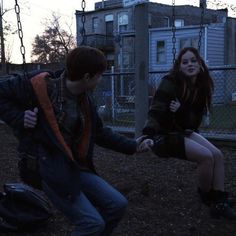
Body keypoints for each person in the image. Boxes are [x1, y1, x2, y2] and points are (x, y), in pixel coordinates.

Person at [0, 46, 153, 236]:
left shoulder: (84, 101)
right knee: (92, 223)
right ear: (87, 77)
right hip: (49, 169)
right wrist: (19, 117)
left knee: (117, 204)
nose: (101, 79)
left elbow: (100, 133)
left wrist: (133, 145)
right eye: (99, 75)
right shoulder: (41, 88)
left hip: (74, 166)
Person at [142, 47, 236, 220]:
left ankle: (220, 198)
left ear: (200, 64)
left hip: (183, 131)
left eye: (193, 60)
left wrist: (181, 110)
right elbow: (157, 109)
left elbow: (193, 122)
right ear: (179, 66)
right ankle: (207, 196)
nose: (190, 64)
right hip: (163, 136)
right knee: (206, 157)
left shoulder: (201, 86)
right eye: (185, 62)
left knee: (218, 155)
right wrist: (148, 133)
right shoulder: (170, 81)